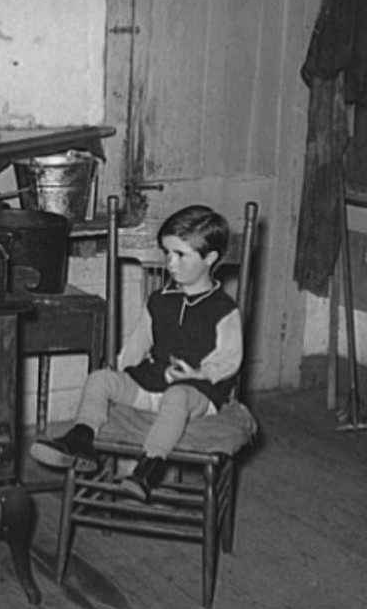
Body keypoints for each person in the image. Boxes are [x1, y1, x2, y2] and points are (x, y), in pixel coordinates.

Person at [30, 204, 242, 502]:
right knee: (100, 379)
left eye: (181, 255)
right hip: (150, 382)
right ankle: (81, 440)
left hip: (198, 393)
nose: (171, 263)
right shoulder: (159, 301)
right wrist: (119, 370)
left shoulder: (224, 309)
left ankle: (148, 469)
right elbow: (137, 343)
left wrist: (199, 373)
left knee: (177, 396)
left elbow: (229, 359)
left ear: (210, 259)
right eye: (167, 253)